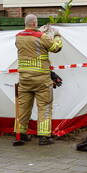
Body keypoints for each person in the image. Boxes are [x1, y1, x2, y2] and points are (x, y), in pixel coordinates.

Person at [14, 14, 62, 146]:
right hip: (42, 79)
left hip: (24, 79)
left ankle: (21, 134)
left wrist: (40, 31)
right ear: (35, 23)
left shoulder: (18, 37)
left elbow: (30, 40)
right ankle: (44, 137)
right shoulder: (42, 37)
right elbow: (56, 48)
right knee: (44, 107)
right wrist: (56, 35)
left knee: (23, 107)